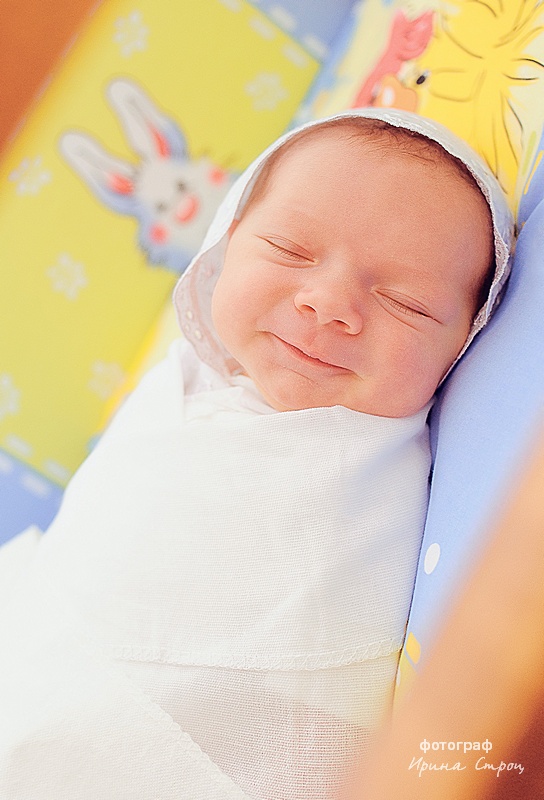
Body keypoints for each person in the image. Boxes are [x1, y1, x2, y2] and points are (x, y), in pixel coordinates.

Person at [0, 109, 513, 800]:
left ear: (465, 342)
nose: (327, 303)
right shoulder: (181, 382)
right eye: (289, 249)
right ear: (226, 243)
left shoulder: (370, 463)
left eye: (405, 302)